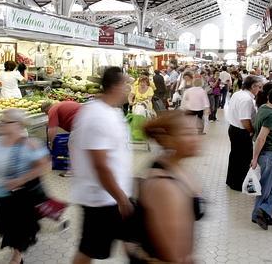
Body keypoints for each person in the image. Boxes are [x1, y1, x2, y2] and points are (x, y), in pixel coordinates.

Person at [69, 67, 133, 264]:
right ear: (116, 87)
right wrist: (122, 200)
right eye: (126, 84)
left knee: (133, 243)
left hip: (114, 195)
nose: (129, 89)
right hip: (102, 199)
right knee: (89, 250)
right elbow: (101, 165)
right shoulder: (96, 116)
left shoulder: (110, 111)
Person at [126, 111, 204, 263]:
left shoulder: (175, 168)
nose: (196, 139)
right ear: (168, 139)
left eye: (197, 132)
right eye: (188, 133)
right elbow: (172, 252)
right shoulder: (164, 184)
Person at [0, 109, 50, 264]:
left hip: (20, 197)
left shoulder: (30, 144)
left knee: (17, 229)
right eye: (1, 121)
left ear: (18, 124)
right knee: (2, 226)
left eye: (6, 122)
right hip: (1, 195)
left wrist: (21, 179)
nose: (1, 124)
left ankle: (17, 256)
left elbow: (45, 166)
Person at [250, 88, 272, 230]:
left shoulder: (264, 108)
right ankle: (262, 212)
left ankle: (261, 213)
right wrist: (254, 158)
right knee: (266, 187)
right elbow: (261, 138)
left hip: (267, 154)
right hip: (269, 154)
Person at [225, 76, 263, 191]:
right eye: (259, 87)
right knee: (243, 158)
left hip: (233, 128)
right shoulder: (246, 99)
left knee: (235, 156)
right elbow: (245, 120)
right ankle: (238, 184)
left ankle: (231, 180)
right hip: (241, 131)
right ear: (253, 86)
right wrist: (251, 130)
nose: (260, 90)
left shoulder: (238, 94)